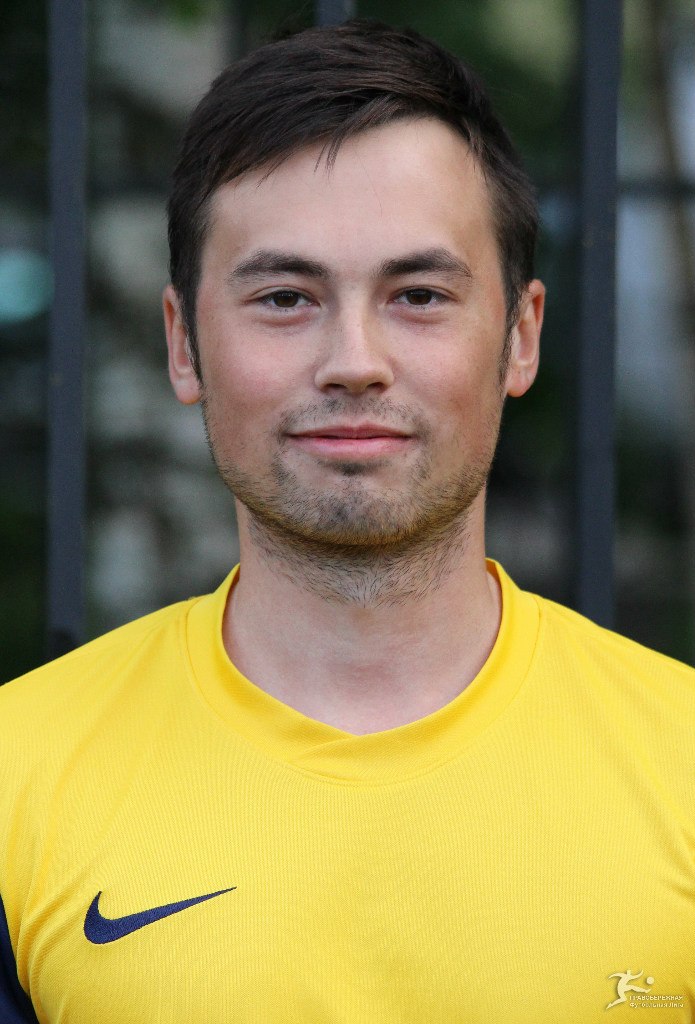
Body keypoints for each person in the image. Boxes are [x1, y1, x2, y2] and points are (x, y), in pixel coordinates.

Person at [1, 19, 693, 1024]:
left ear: (520, 336)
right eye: (285, 297)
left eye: (419, 294)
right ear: (184, 346)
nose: (354, 361)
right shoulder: (17, 772)